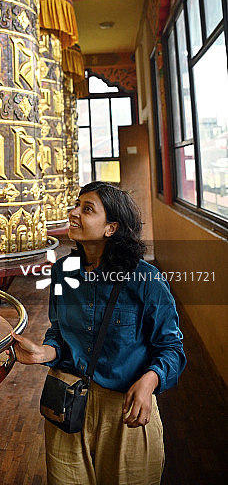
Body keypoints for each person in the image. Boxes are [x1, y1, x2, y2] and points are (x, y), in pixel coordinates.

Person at [11, 181, 186, 485]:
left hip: (125, 414)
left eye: (87, 209)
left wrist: (149, 380)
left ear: (110, 228)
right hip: (68, 405)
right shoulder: (64, 271)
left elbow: (171, 349)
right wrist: (44, 352)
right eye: (76, 205)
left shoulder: (146, 280)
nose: (73, 213)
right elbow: (59, 333)